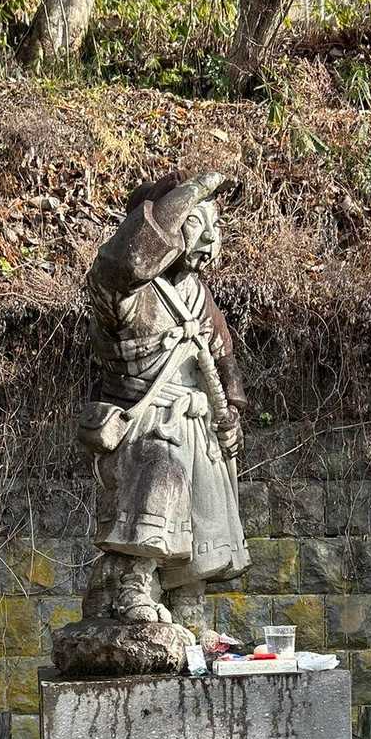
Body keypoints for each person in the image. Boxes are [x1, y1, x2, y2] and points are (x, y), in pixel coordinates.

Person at [77, 170, 250, 635]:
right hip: (146, 420)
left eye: (215, 225)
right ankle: (133, 588)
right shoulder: (124, 291)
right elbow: (127, 260)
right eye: (195, 222)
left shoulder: (199, 295)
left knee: (203, 514)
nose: (210, 238)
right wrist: (186, 194)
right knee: (160, 483)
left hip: (197, 420)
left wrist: (230, 413)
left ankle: (190, 610)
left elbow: (222, 358)